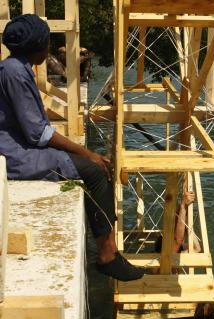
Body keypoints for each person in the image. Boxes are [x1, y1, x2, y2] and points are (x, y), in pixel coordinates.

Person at [0, 14, 145, 282]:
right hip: (15, 155)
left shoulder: (15, 67)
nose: (49, 50)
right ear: (38, 46)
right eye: (47, 43)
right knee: (95, 171)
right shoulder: (15, 72)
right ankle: (107, 255)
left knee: (91, 165)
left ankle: (109, 248)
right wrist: (87, 152)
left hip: (16, 147)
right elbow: (38, 133)